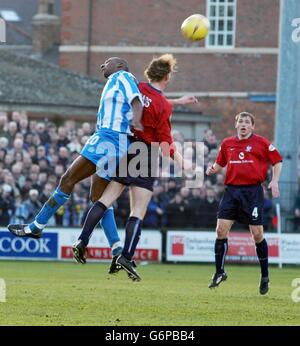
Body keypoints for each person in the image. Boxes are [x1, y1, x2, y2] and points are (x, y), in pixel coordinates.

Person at [72, 54, 197, 280]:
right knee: (137, 211)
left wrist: (178, 101)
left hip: (126, 146)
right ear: (167, 77)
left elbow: (150, 100)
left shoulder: (136, 86)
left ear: (150, 72)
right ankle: (126, 256)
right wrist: (182, 162)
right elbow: (165, 140)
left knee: (104, 200)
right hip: (146, 155)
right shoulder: (163, 107)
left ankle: (82, 239)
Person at [8, 57, 144, 261]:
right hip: (118, 143)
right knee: (100, 198)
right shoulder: (119, 81)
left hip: (108, 137)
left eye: (107, 61)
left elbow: (136, 100)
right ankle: (116, 248)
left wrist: (138, 121)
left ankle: (36, 226)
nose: (102, 65)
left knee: (67, 179)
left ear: (119, 65)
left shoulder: (122, 76)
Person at [206, 111, 282, 295]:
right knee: (220, 230)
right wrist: (212, 169)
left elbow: (277, 161)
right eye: (241, 121)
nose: (243, 124)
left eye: (247, 122)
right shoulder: (227, 143)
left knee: (257, 234)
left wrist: (274, 180)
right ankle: (219, 272)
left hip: (252, 192)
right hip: (232, 191)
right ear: (236, 125)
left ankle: (265, 276)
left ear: (252, 126)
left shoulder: (261, 142)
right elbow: (220, 163)